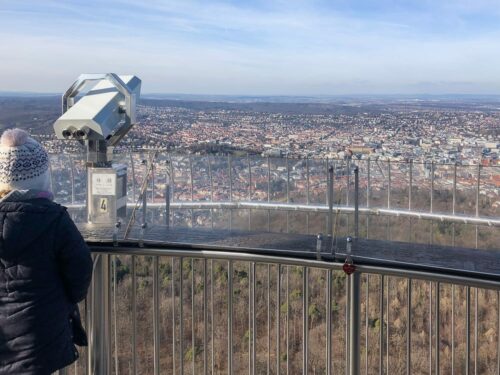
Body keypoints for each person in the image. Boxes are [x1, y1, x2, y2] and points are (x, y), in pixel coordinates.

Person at [0, 129, 92, 375]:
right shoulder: (54, 220)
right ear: (41, 177)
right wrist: (65, 299)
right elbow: (80, 270)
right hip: (39, 339)